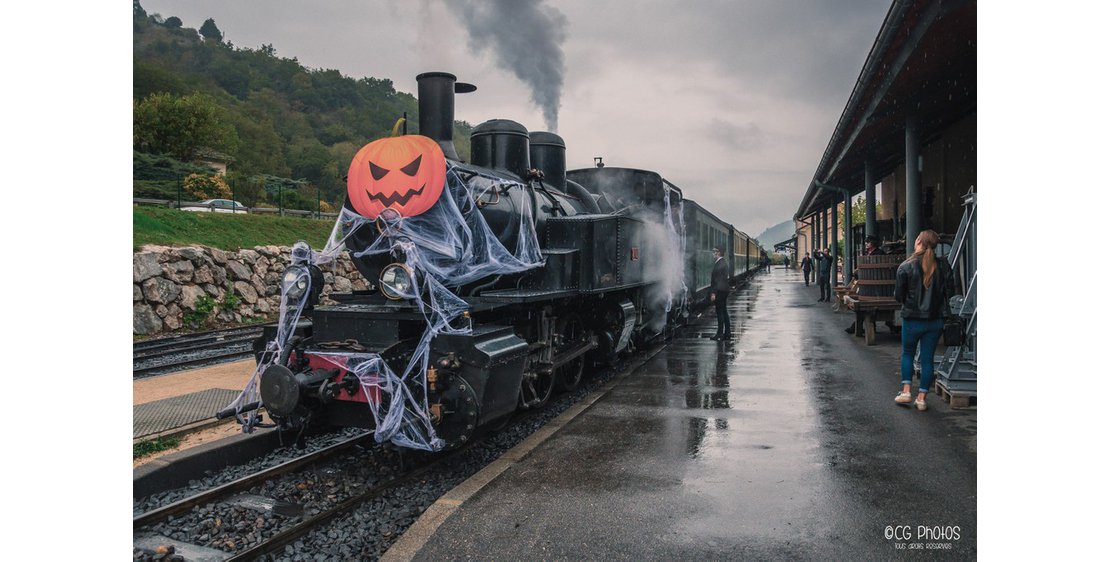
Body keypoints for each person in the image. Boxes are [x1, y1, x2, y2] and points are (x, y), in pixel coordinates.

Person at [893, 230, 954, 411]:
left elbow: (899, 296)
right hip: (935, 321)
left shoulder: (905, 266)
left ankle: (905, 392)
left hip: (912, 319)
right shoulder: (943, 266)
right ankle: (921, 398)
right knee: (928, 359)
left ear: (918, 241)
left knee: (907, 354)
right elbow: (950, 293)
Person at [710, 247, 732, 340]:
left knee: (720, 312)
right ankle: (727, 333)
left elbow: (718, 280)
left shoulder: (720, 264)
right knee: (724, 311)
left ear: (718, 253)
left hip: (720, 290)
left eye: (714, 252)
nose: (712, 253)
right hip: (724, 289)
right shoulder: (723, 263)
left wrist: (714, 293)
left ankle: (720, 334)